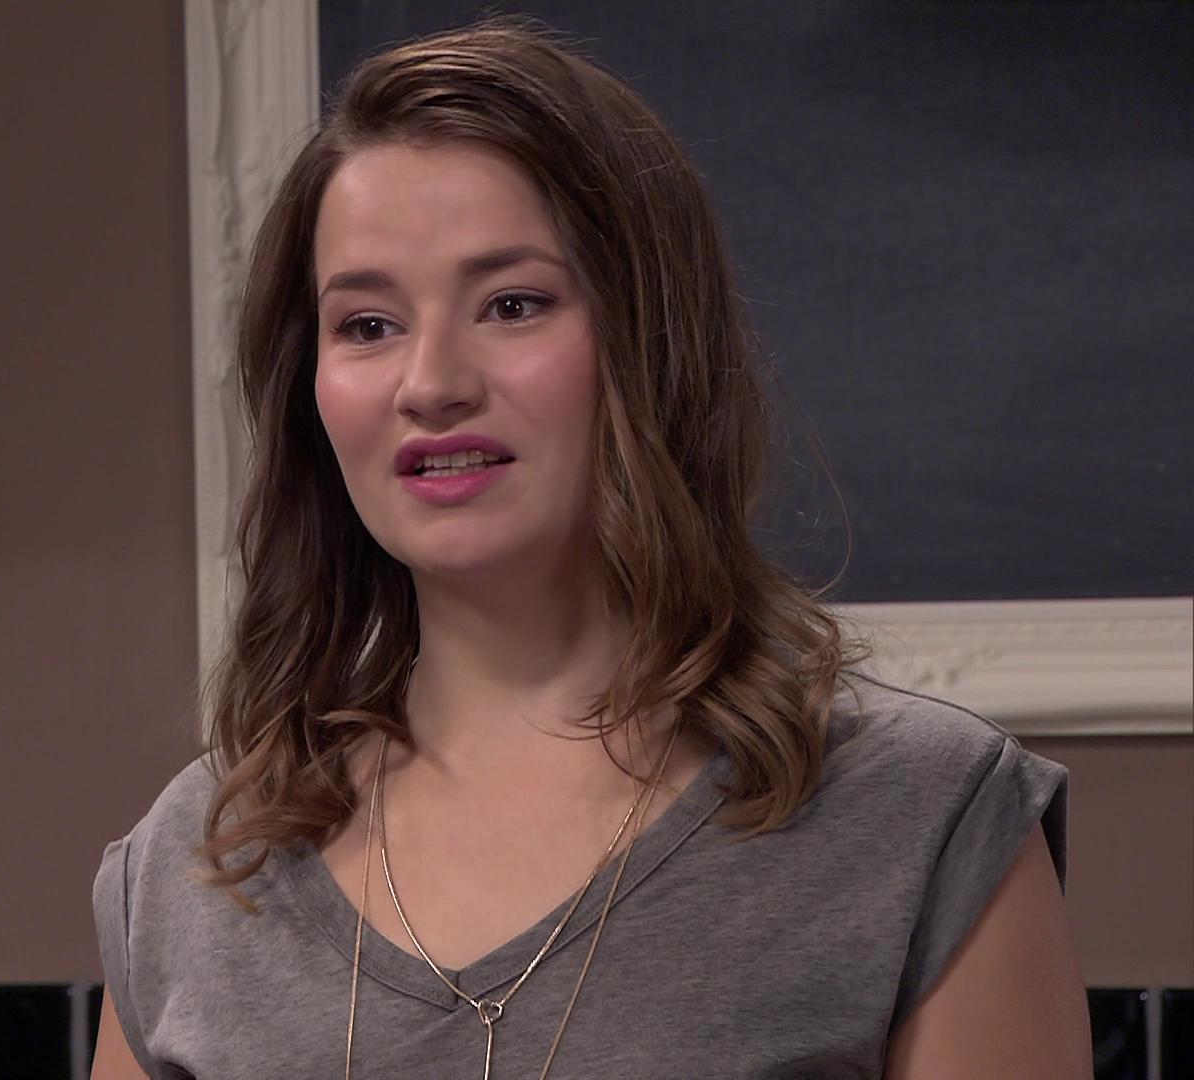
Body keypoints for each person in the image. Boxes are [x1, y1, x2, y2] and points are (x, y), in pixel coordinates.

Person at [89, 14, 1088, 1079]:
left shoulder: (920, 817)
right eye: (368, 325)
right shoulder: (197, 864)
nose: (431, 383)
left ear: (652, 343)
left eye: (512, 304)